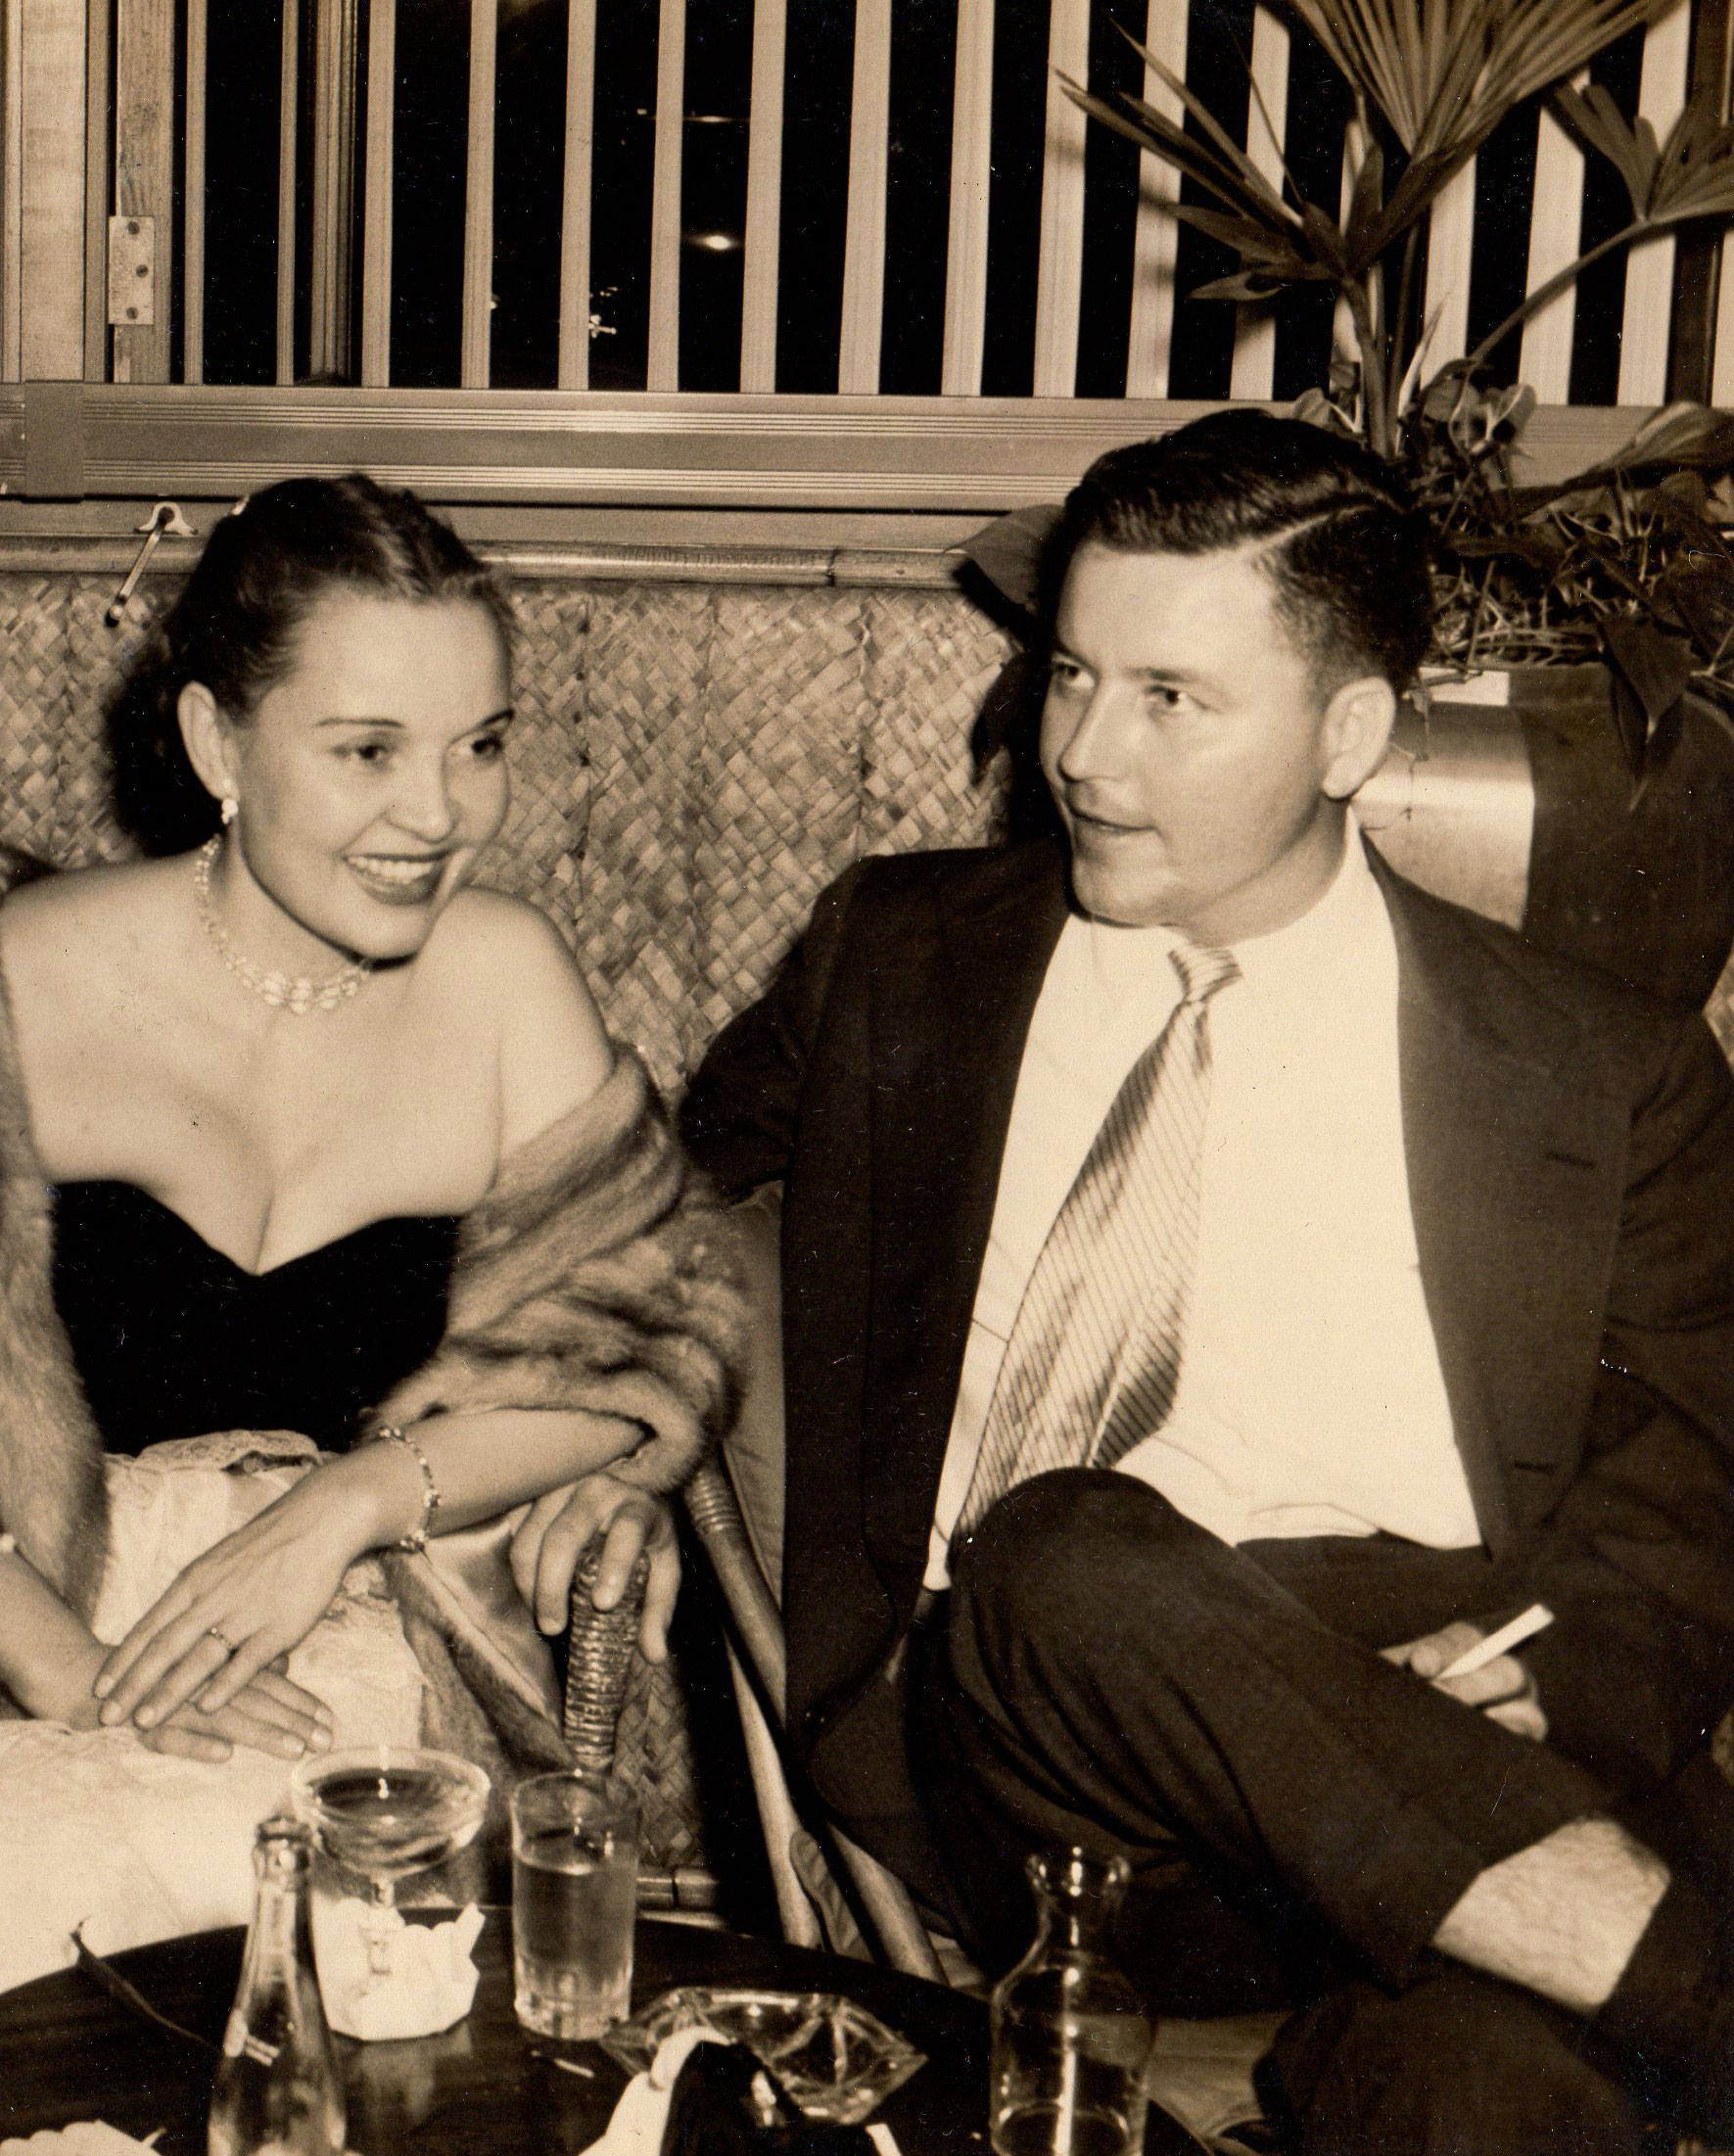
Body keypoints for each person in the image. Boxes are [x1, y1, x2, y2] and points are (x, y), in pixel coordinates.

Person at [682, 409, 1734, 2154]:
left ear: (1352, 731)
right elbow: (654, 1184)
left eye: (1175, 698)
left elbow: (1694, 1492)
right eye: (1074, 672)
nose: (1087, 750)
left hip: (1457, 1723)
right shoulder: (902, 953)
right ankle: (1693, 1982)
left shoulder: (1602, 1072)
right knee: (1061, 1550)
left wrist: (1546, 1679)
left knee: (1486, 2097)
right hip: (1057, 1756)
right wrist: (577, 1402)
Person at [0, 475, 746, 2052]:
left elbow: (640, 1342)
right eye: (367, 750)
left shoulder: (507, 982)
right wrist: (73, 1670)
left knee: (312, 1911)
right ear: (218, 743)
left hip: (362, 1617)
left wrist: (352, 1500)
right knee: (1, 1907)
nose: (439, 813)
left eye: (479, 743)